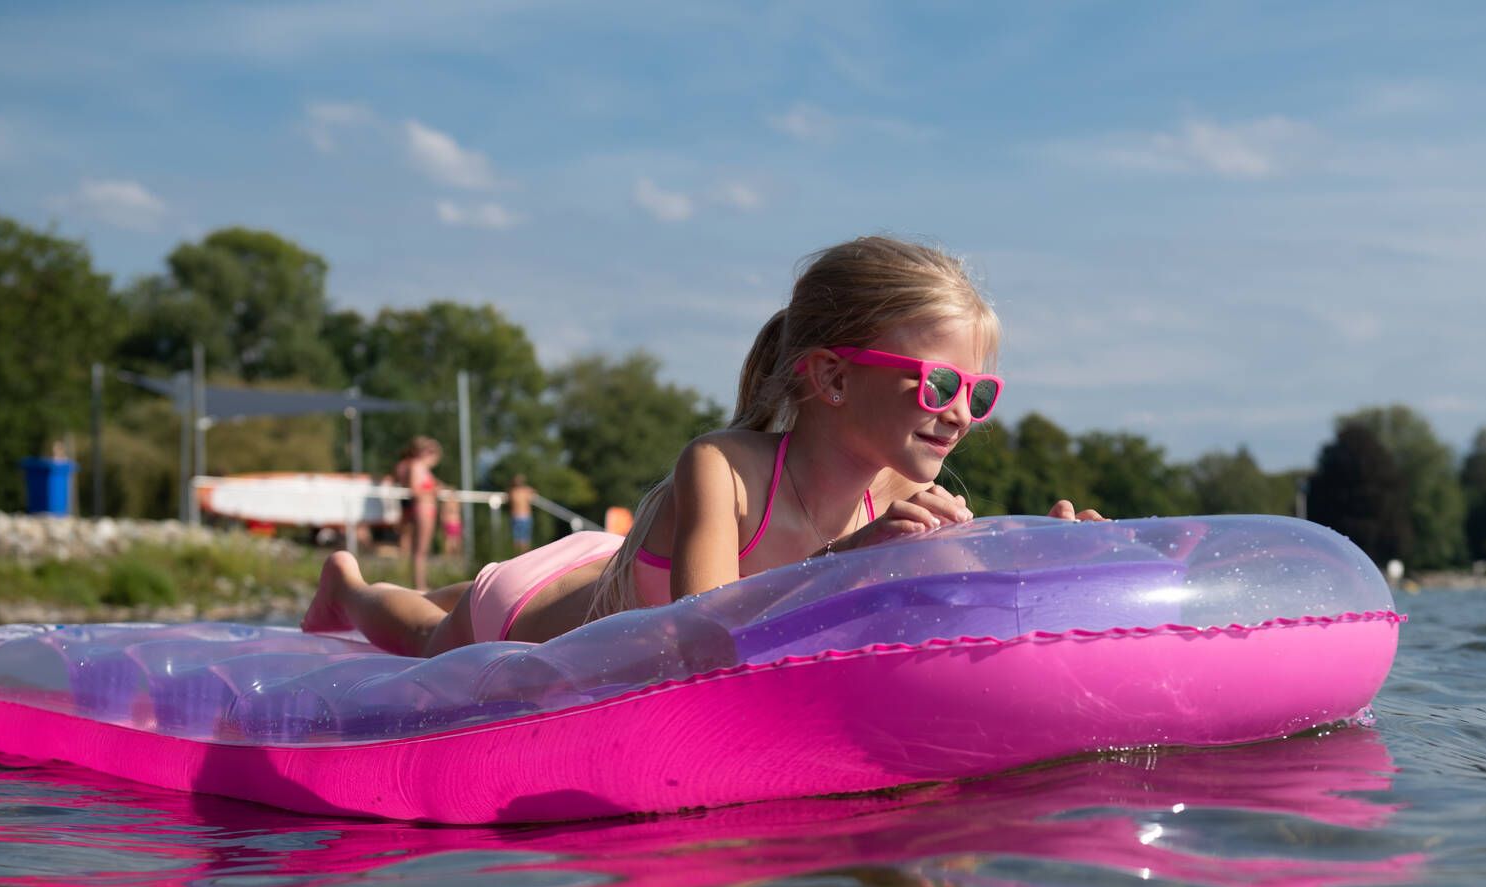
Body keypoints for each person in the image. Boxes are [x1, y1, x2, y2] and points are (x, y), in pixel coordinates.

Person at [302, 235, 1099, 657]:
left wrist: (1047, 548)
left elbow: (971, 592)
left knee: (452, 591)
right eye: (935, 384)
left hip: (606, 559)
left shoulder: (892, 496)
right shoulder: (723, 468)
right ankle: (348, 585)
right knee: (420, 632)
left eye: (978, 393)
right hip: (530, 613)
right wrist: (845, 561)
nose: (959, 413)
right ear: (831, 378)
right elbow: (699, 631)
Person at [392, 436, 442, 591]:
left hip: (427, 508)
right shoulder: (416, 466)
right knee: (419, 550)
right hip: (422, 508)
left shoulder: (423, 467)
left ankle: (421, 584)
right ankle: (420, 585)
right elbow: (415, 490)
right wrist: (432, 491)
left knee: (422, 550)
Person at [507, 474, 536, 552]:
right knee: (522, 538)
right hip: (522, 516)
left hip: (519, 516)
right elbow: (533, 495)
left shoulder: (512, 492)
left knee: (520, 538)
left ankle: (520, 556)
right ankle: (521, 556)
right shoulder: (525, 491)